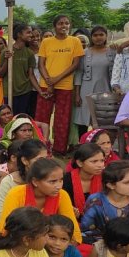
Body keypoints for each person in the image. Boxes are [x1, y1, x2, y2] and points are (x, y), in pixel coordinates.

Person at [0, 158, 82, 244]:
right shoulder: (16, 193)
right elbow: (4, 228)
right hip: (20, 241)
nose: (59, 186)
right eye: (53, 182)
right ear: (35, 182)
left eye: (61, 180)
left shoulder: (62, 195)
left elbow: (73, 230)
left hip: (52, 243)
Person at [36, 15, 85, 155]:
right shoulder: (46, 42)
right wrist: (48, 80)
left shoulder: (75, 41)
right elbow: (41, 64)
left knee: (62, 119)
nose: (64, 26)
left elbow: (75, 65)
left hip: (65, 86)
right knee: (42, 118)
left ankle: (59, 150)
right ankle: (40, 149)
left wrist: (55, 80)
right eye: (60, 23)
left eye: (67, 23)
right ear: (55, 26)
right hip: (46, 85)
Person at [81, 161, 129, 244]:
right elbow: (86, 230)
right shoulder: (95, 201)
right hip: (102, 246)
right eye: (127, 182)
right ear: (111, 185)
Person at [72, 26, 116, 135]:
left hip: (105, 89)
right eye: (95, 35)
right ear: (91, 37)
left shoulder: (113, 52)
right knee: (84, 119)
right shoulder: (84, 53)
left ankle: (101, 144)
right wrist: (77, 94)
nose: (98, 38)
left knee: (103, 118)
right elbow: (79, 73)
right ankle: (83, 145)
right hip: (86, 90)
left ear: (106, 36)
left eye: (101, 35)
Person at [0, 23, 43, 117]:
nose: (31, 35)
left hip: (25, 92)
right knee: (10, 118)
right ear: (19, 34)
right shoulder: (6, 51)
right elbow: (0, 74)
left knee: (22, 118)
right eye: (28, 32)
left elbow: (30, 75)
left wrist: (40, 91)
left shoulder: (29, 53)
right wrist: (7, 59)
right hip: (9, 91)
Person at [0, 139, 47, 217]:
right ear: (25, 161)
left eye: (46, 159)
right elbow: (0, 215)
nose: (45, 163)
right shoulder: (9, 181)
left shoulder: (49, 180)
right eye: (40, 160)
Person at [62, 142, 104, 218]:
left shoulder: (105, 179)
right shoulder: (66, 181)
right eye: (94, 161)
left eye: (102, 161)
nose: (100, 165)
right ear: (80, 163)